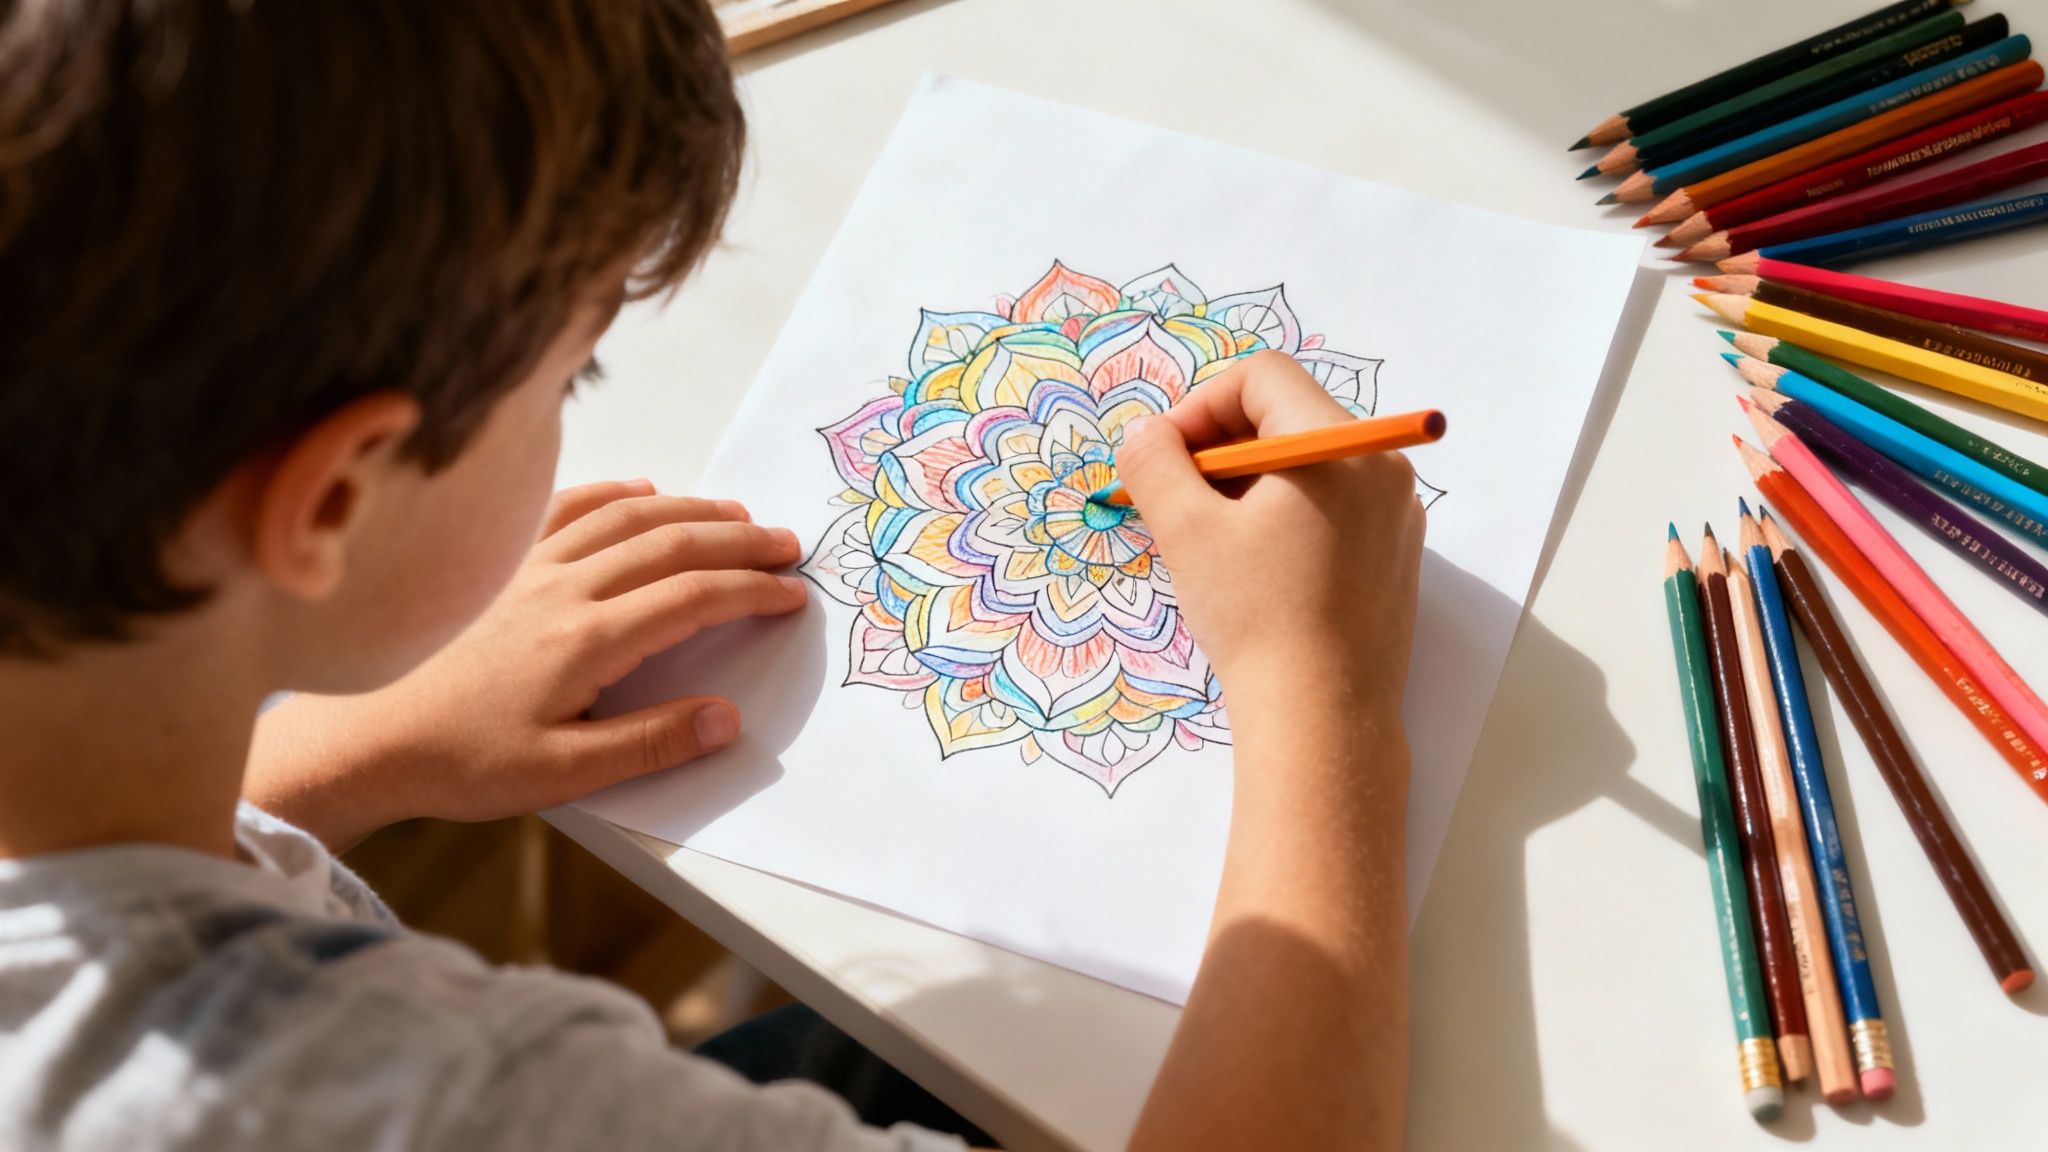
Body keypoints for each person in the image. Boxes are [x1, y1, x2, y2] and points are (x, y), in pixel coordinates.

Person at [0, 2, 1426, 1149]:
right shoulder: (452, 1106)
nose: (578, 407)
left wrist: (330, 759)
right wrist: (1318, 684)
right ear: (331, 500)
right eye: (574, 374)